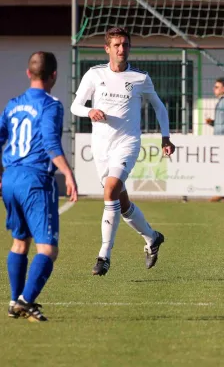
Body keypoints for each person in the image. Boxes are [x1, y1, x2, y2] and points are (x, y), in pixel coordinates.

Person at [71, 27, 175, 276]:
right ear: (107, 49)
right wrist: (90, 112)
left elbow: (159, 107)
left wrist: (166, 137)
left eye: (125, 44)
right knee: (121, 201)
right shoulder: (95, 74)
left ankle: (104, 255)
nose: (121, 49)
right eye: (116, 45)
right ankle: (152, 238)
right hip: (101, 147)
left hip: (127, 144)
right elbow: (76, 105)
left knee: (110, 190)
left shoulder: (140, 78)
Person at [1, 51, 78, 322]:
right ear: (54, 75)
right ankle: (25, 300)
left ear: (28, 73)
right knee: (47, 249)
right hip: (35, 181)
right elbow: (50, 143)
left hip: (10, 178)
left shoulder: (13, 104)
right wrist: (68, 173)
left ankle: (15, 301)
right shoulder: (51, 105)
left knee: (20, 242)